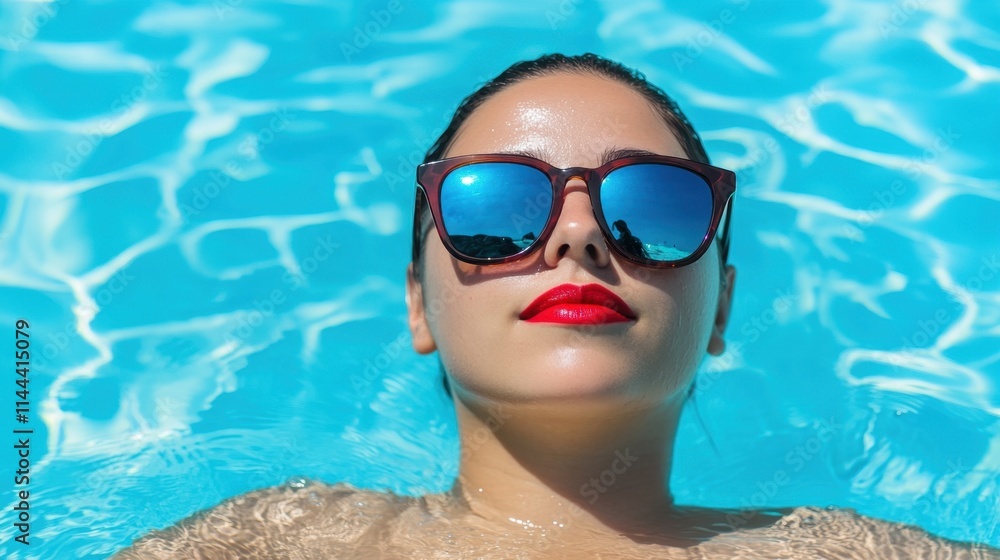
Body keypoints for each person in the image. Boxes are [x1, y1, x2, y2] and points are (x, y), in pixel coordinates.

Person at [116, 53, 998, 559]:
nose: (577, 235)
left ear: (719, 307)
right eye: (495, 209)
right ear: (418, 304)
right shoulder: (269, 546)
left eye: (650, 207)